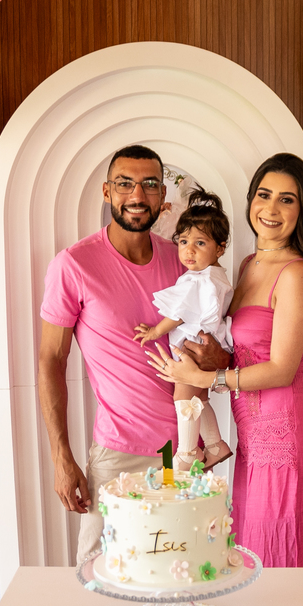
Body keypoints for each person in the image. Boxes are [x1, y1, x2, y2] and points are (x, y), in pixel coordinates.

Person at [147, 153, 303, 605]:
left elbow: (281, 368)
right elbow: (241, 348)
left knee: (286, 561)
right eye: (263, 195)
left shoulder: (297, 273)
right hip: (252, 433)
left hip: (289, 430)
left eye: (286, 199)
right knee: (254, 553)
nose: (271, 209)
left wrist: (207, 377)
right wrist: (204, 358)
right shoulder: (247, 265)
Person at [38, 145, 228, 566]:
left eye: (149, 184)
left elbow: (214, 344)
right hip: (117, 453)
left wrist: (219, 358)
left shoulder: (185, 261)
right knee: (101, 573)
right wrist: (61, 456)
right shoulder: (74, 265)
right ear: (107, 191)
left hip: (183, 452)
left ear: (162, 196)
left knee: (177, 574)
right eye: (125, 183)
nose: (137, 195)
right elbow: (51, 360)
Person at [133, 189, 235, 472]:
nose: (189, 250)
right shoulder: (216, 275)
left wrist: (155, 331)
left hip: (191, 349)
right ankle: (215, 445)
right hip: (207, 344)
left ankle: (188, 453)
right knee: (199, 398)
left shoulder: (198, 280)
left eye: (200, 243)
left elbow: (179, 313)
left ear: (220, 248)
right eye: (184, 241)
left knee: (184, 398)